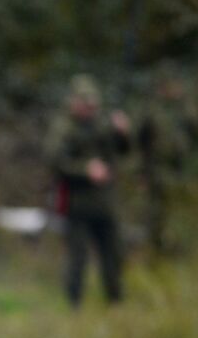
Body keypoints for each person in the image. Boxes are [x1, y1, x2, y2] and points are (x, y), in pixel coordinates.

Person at [44, 75, 132, 305]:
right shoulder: (63, 127)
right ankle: (74, 304)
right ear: (73, 102)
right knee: (78, 258)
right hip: (77, 204)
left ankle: (115, 301)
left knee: (113, 254)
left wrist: (122, 133)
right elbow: (55, 161)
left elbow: (122, 151)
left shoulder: (102, 124)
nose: (88, 109)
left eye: (91, 104)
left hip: (104, 203)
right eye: (83, 104)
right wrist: (86, 170)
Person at [137, 66, 198, 254]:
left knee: (180, 216)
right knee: (156, 215)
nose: (173, 89)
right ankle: (156, 251)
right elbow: (141, 142)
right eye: (168, 86)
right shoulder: (152, 109)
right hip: (157, 170)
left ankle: (180, 253)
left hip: (180, 171)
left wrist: (196, 170)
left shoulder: (185, 108)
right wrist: (142, 173)